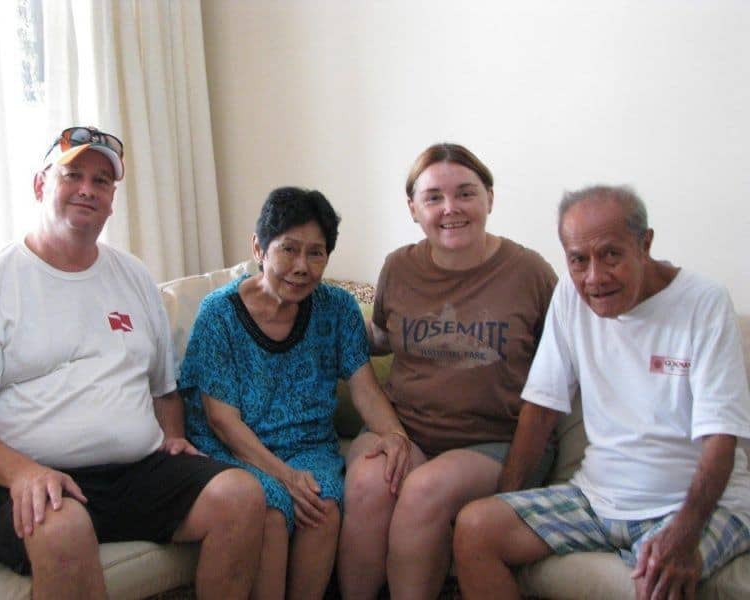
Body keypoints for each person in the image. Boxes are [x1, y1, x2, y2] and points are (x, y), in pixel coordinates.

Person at [0, 126, 266, 599]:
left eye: (101, 181)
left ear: (112, 199)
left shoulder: (133, 276)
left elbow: (163, 389)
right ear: (41, 185)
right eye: (72, 174)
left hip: (133, 472)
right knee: (64, 529)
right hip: (30, 477)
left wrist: (173, 438)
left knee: (240, 497)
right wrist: (22, 473)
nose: (87, 189)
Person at [453, 185, 750, 600]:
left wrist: (683, 534)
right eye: (578, 260)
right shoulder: (571, 299)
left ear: (644, 244)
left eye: (610, 254)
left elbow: (721, 438)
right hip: (596, 498)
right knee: (475, 529)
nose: (594, 278)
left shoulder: (703, 302)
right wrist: (509, 495)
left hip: (697, 506)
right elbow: (540, 410)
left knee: (656, 580)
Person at [337, 143, 559, 600]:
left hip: (495, 440)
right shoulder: (399, 267)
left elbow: (567, 362)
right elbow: (380, 337)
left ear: (490, 199)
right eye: (434, 197)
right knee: (365, 483)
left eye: (465, 193)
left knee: (423, 490)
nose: (450, 208)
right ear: (413, 208)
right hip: (407, 429)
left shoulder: (529, 271)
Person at [178, 187, 410, 600]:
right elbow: (221, 419)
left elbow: (365, 388)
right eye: (289, 249)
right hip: (235, 450)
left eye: (316, 253)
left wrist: (395, 436)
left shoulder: (336, 307)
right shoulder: (219, 313)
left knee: (322, 508)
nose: (302, 267)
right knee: (269, 510)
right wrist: (284, 477)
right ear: (259, 248)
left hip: (307, 446)